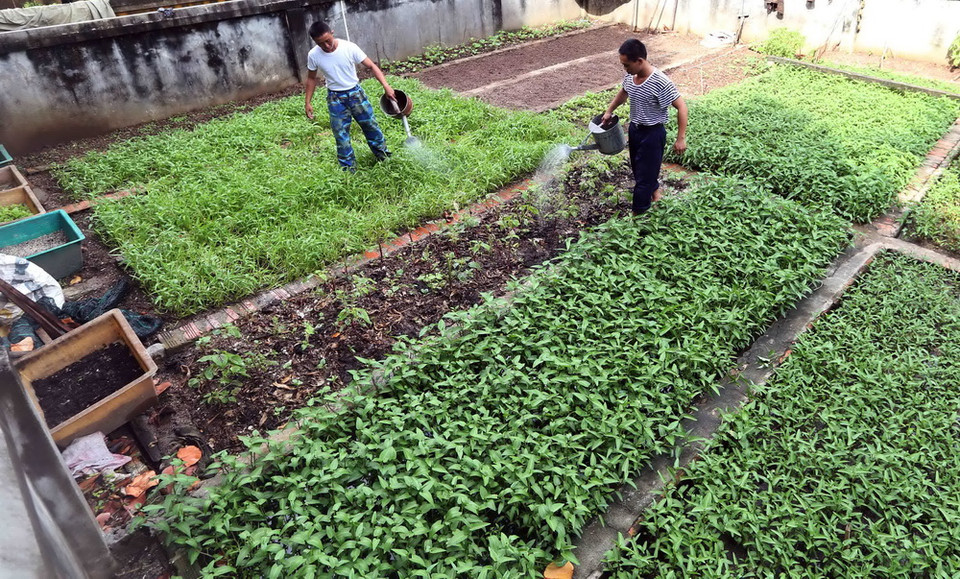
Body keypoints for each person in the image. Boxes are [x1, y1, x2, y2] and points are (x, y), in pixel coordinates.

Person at [601, 38, 688, 215]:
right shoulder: (630, 76)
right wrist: (609, 110)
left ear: (639, 61)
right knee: (639, 169)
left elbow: (682, 107)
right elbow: (624, 92)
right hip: (635, 130)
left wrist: (681, 138)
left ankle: (639, 216)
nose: (625, 69)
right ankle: (656, 193)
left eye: (626, 65)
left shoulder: (660, 82)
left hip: (652, 134)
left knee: (643, 181)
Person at [304, 21, 395, 171]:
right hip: (335, 99)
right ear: (315, 42)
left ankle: (383, 157)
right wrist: (307, 102)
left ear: (332, 33)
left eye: (328, 41)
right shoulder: (313, 55)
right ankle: (348, 169)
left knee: (371, 126)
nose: (326, 46)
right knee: (341, 135)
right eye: (321, 44)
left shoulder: (349, 47)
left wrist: (386, 86)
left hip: (355, 94)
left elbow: (372, 66)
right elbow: (311, 78)